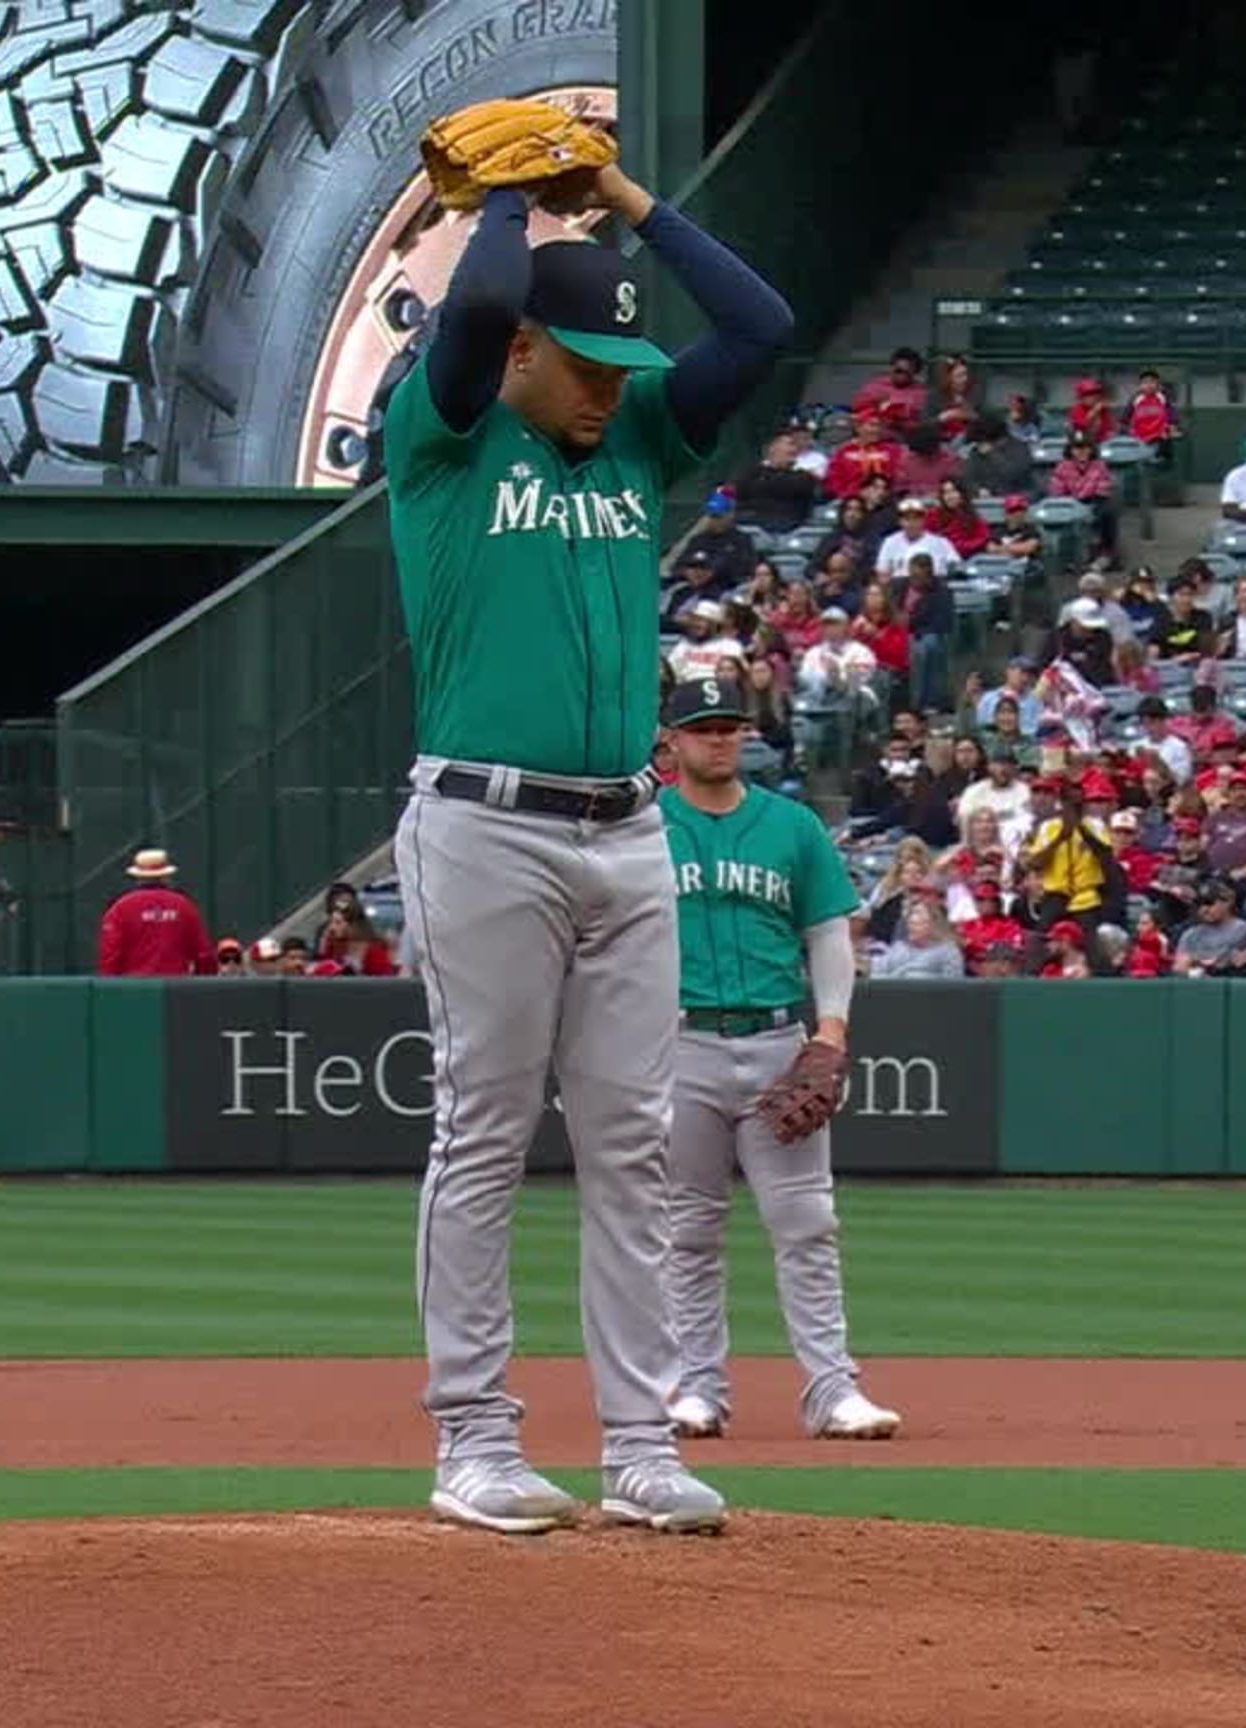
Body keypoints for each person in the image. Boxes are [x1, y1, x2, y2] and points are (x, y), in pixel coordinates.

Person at [383, 127, 789, 1539]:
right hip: (483, 824)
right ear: (522, 359)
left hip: (628, 833)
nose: (617, 395)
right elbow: (483, 304)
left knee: (635, 1143)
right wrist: (500, 194)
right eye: (592, 370)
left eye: (628, 374)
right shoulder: (443, 432)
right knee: (484, 1131)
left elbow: (761, 324)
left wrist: (624, 202)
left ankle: (638, 1440)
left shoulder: (632, 436)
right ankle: (474, 1443)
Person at [652, 676, 901, 1447]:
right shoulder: (640, 827)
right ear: (671, 744)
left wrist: (830, 1031)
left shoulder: (789, 826)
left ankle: (832, 1390)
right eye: (703, 728)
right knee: (689, 1229)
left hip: (774, 1042)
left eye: (730, 726)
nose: (719, 739)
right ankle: (696, 1389)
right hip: (677, 1042)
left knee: (806, 1222)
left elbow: (828, 932)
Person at [94, 848, 216, 976]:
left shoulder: (120, 908)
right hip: (176, 988)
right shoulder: (184, 906)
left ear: (137, 876)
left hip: (133, 988)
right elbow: (204, 955)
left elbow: (110, 955)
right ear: (166, 876)